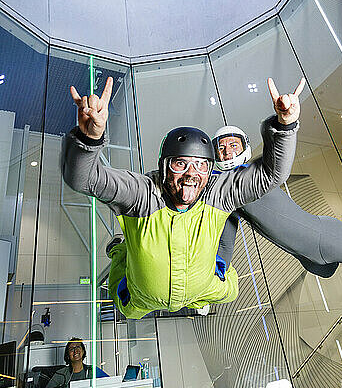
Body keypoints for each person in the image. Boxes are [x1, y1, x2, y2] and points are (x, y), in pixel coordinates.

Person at [62, 77, 304, 319]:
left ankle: (203, 290)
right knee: (126, 304)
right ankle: (119, 249)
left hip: (203, 287)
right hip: (140, 296)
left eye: (200, 166)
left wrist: (285, 126)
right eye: (181, 164)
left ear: (210, 171)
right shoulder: (142, 194)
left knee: (230, 290)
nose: (191, 175)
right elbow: (84, 180)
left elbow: (272, 175)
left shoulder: (216, 191)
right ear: (164, 167)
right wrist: (89, 139)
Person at [213, 125, 342, 280]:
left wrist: (283, 124)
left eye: (233, 144)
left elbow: (277, 156)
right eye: (221, 148)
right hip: (309, 259)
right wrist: (214, 282)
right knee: (334, 267)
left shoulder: (255, 171)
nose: (228, 151)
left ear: (244, 145)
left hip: (327, 236)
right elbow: (225, 243)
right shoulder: (227, 195)